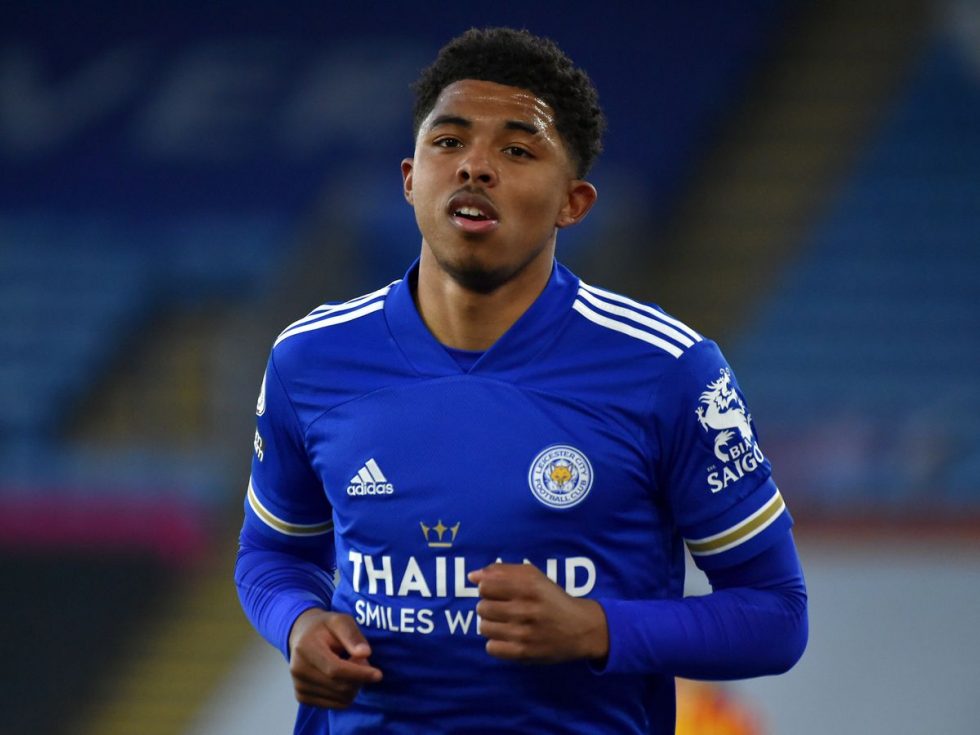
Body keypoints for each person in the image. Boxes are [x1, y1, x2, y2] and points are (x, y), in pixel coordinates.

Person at [235, 27, 808, 734]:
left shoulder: (667, 369)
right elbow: (272, 553)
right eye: (449, 141)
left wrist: (598, 628)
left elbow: (777, 614)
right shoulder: (310, 359)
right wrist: (298, 622)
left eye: (517, 150)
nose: (475, 166)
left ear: (574, 203)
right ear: (411, 178)